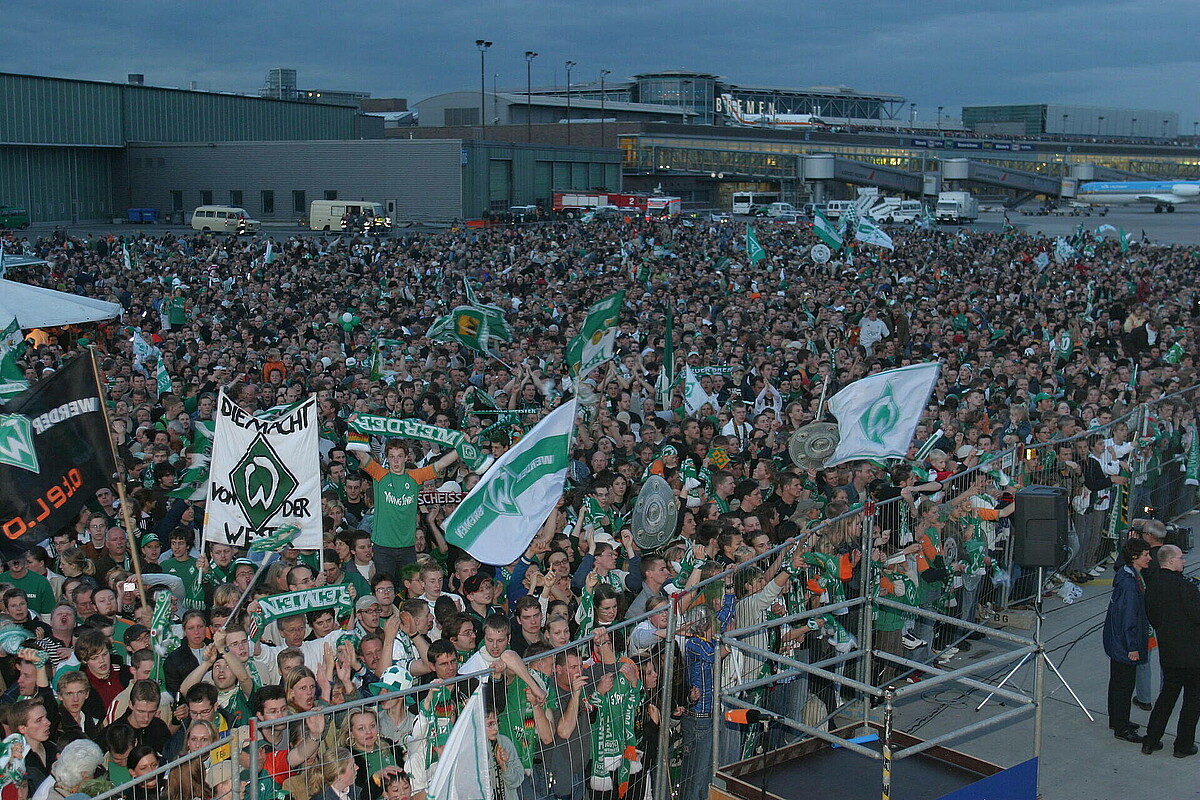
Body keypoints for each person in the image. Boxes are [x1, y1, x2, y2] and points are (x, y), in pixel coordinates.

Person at [355, 439, 458, 581]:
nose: (396, 461)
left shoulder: (414, 477)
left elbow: (441, 464)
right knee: (385, 586)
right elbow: (362, 455)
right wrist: (354, 430)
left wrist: (460, 448)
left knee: (411, 587)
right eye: (392, 456)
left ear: (406, 457)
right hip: (383, 547)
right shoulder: (380, 475)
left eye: (399, 456)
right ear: (387, 458)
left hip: (408, 547)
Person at [1141, 545, 1200, 757]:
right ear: (1171, 560)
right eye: (1181, 558)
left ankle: (1150, 741)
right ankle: (1183, 746)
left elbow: (1153, 617)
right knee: (1192, 701)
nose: (1184, 561)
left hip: (1169, 652)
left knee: (1167, 697)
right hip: (1193, 655)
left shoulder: (1153, 586)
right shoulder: (1186, 587)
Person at [1102, 537, 1151, 743]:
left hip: (1116, 642)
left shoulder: (1125, 575)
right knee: (1124, 686)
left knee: (1117, 683)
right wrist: (1133, 647)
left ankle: (1117, 720)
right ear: (1135, 557)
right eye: (1145, 555)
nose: (1149, 558)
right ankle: (1122, 728)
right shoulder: (1130, 585)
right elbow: (1129, 619)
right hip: (1125, 644)